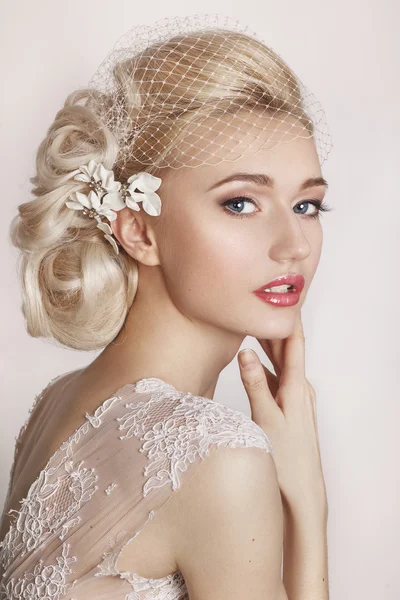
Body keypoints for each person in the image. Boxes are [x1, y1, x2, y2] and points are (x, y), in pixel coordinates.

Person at [0, 14, 332, 599]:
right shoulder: (221, 461)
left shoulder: (57, 403)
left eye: (307, 205)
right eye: (240, 203)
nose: (294, 244)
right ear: (137, 230)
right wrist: (307, 505)